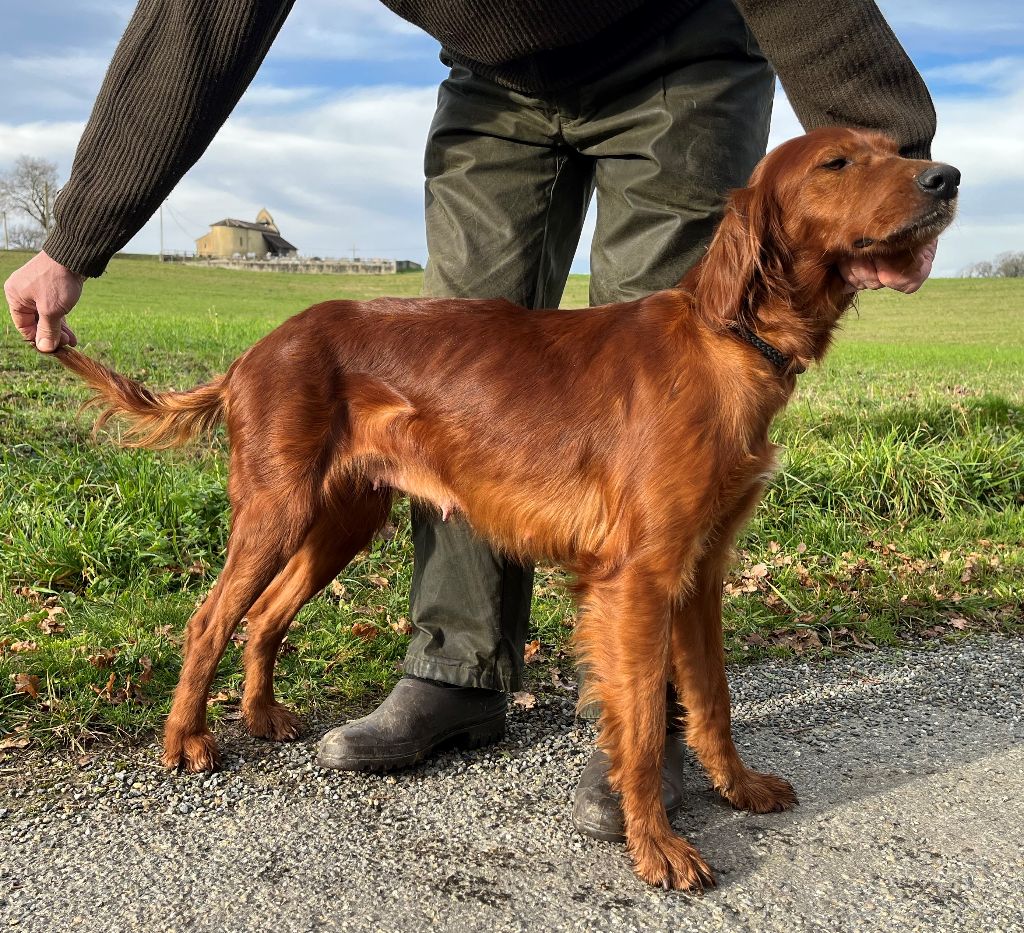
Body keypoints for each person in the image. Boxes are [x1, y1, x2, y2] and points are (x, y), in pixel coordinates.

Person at [4, 0, 937, 843]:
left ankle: (648, 742)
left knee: (660, 393)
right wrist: (74, 236)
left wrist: (892, 172)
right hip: (494, 88)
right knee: (477, 384)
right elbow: (200, 19)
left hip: (680, 56)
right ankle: (451, 672)